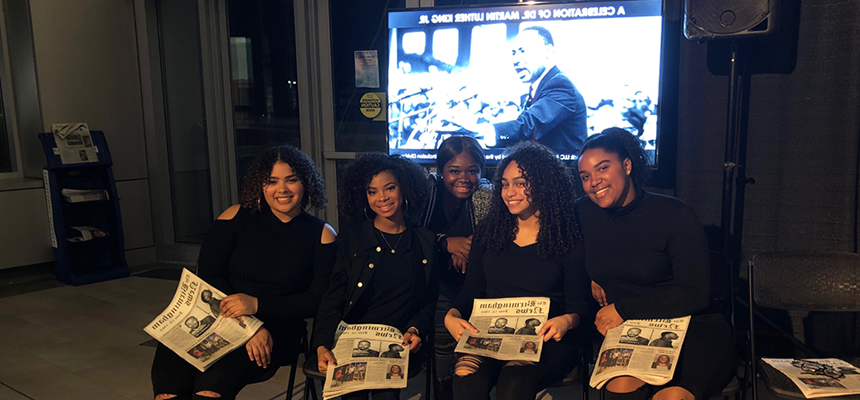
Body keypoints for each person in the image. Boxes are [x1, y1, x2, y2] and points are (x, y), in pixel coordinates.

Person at [150, 145, 336, 400]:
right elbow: (209, 276)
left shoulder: (321, 234)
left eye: (291, 180)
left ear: (306, 184)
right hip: (221, 316)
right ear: (260, 186)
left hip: (277, 328)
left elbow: (317, 300)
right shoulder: (235, 217)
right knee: (169, 382)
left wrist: (256, 306)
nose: (282, 189)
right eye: (271, 182)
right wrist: (247, 326)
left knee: (210, 385)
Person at [577, 128, 735, 400]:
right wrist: (592, 274)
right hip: (632, 331)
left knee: (672, 397)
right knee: (620, 389)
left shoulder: (674, 214)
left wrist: (624, 309)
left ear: (627, 165)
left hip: (692, 325)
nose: (594, 181)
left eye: (603, 168)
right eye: (585, 176)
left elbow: (696, 293)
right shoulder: (583, 212)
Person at [444, 142, 591, 400]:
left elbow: (579, 306)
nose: (510, 192)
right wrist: (452, 315)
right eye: (504, 183)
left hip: (546, 339)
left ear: (544, 184)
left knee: (514, 380)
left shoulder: (566, 237)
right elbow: (472, 292)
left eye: (521, 183)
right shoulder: (489, 232)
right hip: (491, 334)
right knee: (466, 375)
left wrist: (566, 321)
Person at [313, 153, 438, 400]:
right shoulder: (352, 237)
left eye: (389, 188)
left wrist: (415, 328)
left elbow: (427, 300)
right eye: (372, 191)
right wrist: (321, 344)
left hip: (395, 343)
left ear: (405, 189)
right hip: (351, 339)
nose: (381, 198)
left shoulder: (426, 241)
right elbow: (334, 295)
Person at [418, 135, 492, 400]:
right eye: (454, 171)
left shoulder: (488, 195)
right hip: (437, 283)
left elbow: (496, 237)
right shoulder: (427, 192)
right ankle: (444, 386)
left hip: (481, 286)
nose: (464, 178)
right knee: (443, 333)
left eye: (472, 171)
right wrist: (445, 243)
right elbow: (413, 235)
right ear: (440, 171)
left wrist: (469, 248)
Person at [478, 26, 587, 157]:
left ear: (548, 51)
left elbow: (529, 126)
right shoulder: (536, 89)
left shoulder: (561, 85)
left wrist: (490, 132)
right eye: (513, 53)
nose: (516, 60)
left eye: (523, 51)